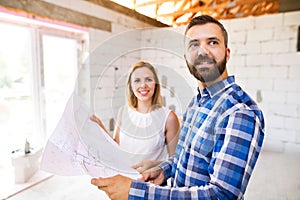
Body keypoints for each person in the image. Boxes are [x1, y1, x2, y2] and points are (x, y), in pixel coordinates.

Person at [91, 15, 265, 200]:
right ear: (186, 57)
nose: (202, 51)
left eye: (212, 42)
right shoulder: (196, 103)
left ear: (227, 53)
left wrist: (134, 192)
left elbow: (221, 195)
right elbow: (185, 157)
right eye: (194, 45)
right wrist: (163, 170)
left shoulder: (239, 111)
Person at [91, 61, 180, 173]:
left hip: (152, 186)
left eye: (148, 79)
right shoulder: (123, 111)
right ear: (131, 86)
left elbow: (176, 162)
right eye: (137, 80)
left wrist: (153, 165)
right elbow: (116, 148)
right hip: (124, 180)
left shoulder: (169, 118)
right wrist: (100, 127)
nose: (143, 85)